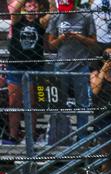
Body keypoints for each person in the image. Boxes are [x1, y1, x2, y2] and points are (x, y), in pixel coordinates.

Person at [46, 1, 97, 144]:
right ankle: (60, 136)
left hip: (80, 64)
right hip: (61, 64)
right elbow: (50, 44)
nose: (66, 12)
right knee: (59, 103)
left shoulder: (86, 16)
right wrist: (61, 38)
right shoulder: (57, 16)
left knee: (82, 103)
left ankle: (82, 137)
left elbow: (93, 41)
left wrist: (79, 37)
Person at [7, 1, 49, 145]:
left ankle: (30, 135)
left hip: (33, 66)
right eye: (29, 5)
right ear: (25, 7)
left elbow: (53, 13)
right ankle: (13, 135)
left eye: (35, 5)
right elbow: (14, 10)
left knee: (30, 102)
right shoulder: (18, 20)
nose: (32, 8)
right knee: (14, 102)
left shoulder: (41, 22)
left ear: (39, 8)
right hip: (15, 65)